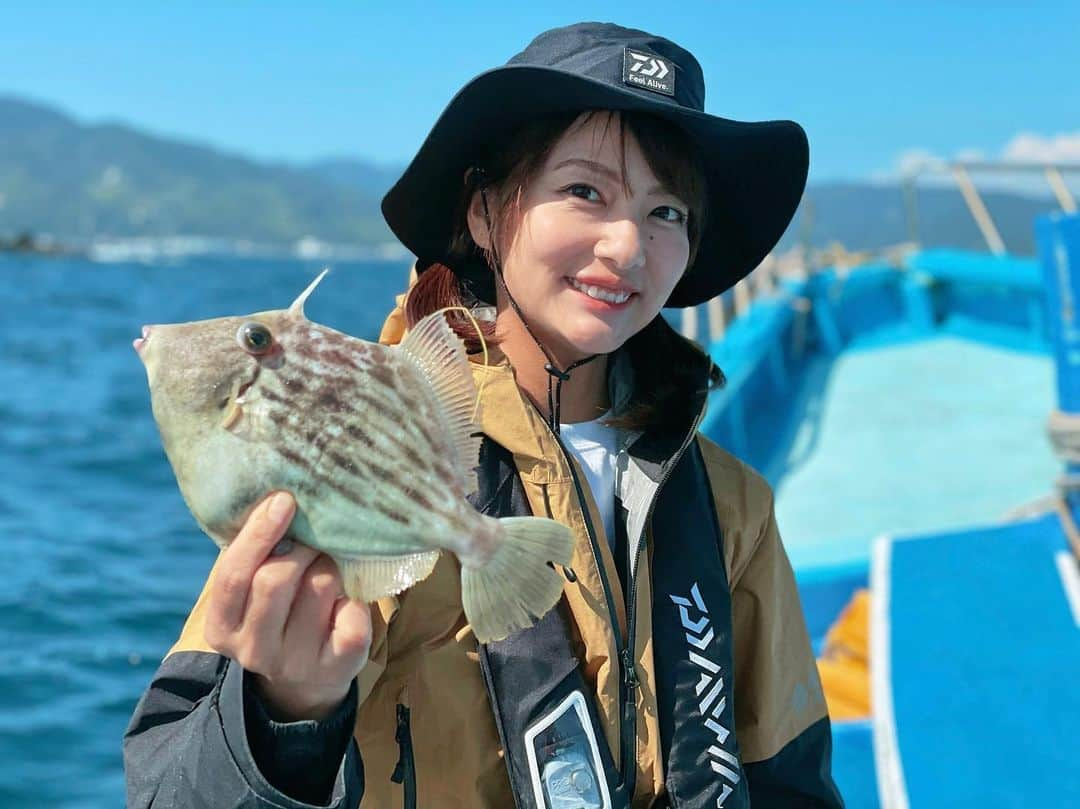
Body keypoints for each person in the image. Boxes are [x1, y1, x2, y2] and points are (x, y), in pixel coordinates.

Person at [125, 21, 844, 809]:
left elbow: (789, 777)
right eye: (584, 191)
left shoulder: (732, 505)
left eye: (666, 211)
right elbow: (170, 786)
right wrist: (286, 715)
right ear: (483, 212)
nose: (627, 244)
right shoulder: (360, 447)